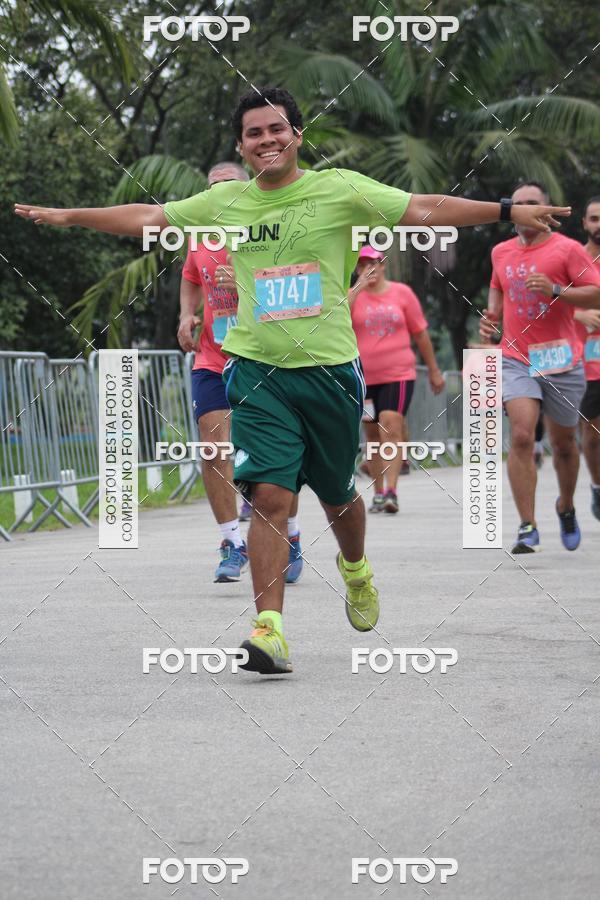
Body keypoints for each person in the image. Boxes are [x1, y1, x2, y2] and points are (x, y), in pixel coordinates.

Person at [16, 88, 572, 674]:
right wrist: (70, 216)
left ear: (297, 136)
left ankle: (355, 568)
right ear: (241, 145)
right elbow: (151, 216)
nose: (267, 140)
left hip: (330, 373)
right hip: (257, 371)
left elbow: (422, 208)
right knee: (269, 497)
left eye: (276, 129)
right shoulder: (227, 202)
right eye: (254, 133)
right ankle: (270, 629)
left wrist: (507, 211)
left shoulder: (337, 190)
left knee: (337, 495)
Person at [177, 160, 303, 583]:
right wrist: (186, 315)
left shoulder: (271, 231)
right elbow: (192, 277)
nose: (221, 194)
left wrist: (249, 285)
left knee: (276, 459)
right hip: (214, 359)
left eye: (229, 185)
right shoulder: (200, 239)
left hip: (264, 357)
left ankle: (290, 535)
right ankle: (232, 542)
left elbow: (301, 288)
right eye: (214, 187)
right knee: (213, 448)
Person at [479, 181, 600, 553]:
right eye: (517, 204)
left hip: (562, 359)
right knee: (520, 435)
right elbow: (497, 288)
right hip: (516, 356)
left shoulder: (566, 250)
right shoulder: (501, 251)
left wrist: (555, 291)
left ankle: (565, 506)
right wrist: (490, 319)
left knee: (565, 445)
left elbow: (595, 292)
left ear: (546, 210)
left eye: (532, 203)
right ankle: (527, 525)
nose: (524, 208)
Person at [349, 246, 445, 513]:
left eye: (374, 263)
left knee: (390, 426)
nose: (370, 268)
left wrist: (434, 370)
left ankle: (392, 491)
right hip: (365, 377)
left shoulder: (402, 294)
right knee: (372, 435)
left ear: (384, 265)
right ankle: (378, 493)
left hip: (398, 374)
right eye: (363, 264)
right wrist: (357, 288)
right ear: (357, 269)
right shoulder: (353, 295)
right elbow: (338, 317)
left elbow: (421, 334)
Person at [573, 196, 600, 519]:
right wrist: (580, 315)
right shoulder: (572, 259)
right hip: (584, 364)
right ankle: (596, 486)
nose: (599, 225)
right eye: (594, 218)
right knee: (591, 438)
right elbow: (549, 305)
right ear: (584, 223)